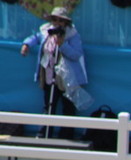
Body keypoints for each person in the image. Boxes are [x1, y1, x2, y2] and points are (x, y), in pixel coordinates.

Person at [20, 6, 87, 139]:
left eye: (60, 21)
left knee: (68, 107)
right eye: (54, 20)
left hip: (67, 78)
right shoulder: (46, 31)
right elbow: (35, 37)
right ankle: (44, 133)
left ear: (66, 23)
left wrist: (63, 45)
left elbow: (76, 54)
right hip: (49, 75)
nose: (57, 23)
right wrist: (26, 44)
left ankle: (66, 136)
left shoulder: (72, 35)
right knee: (48, 105)